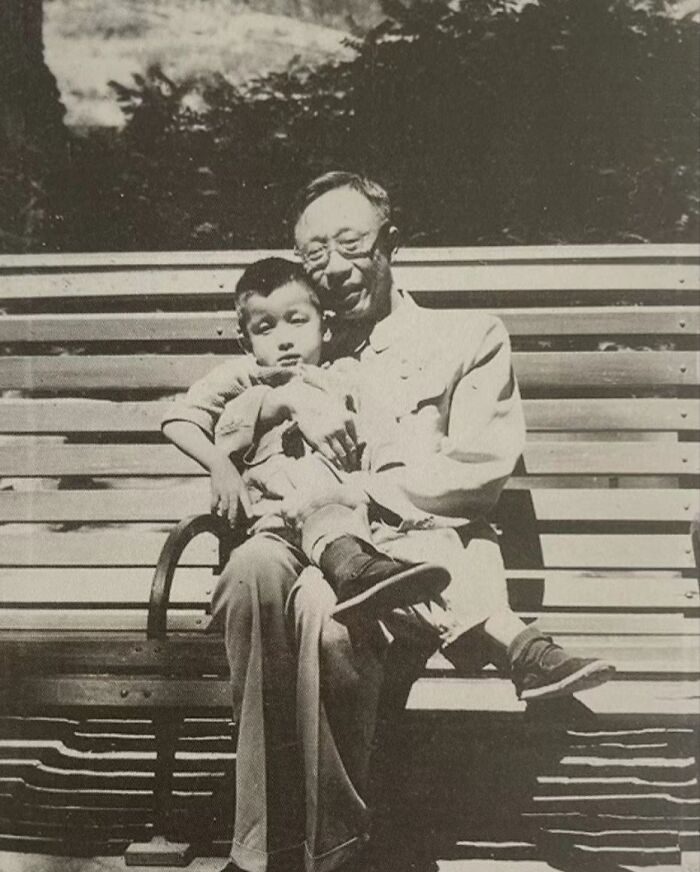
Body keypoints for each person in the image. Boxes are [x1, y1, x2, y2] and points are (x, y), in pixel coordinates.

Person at [162, 172, 615, 872]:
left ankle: (331, 848)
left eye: (352, 243)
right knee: (253, 569)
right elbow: (224, 417)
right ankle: (256, 847)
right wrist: (276, 411)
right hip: (298, 534)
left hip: (412, 557)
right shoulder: (300, 338)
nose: (335, 267)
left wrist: (357, 499)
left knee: (324, 608)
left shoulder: (464, 337)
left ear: (391, 243)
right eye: (315, 254)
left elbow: (478, 471)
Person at [164, 255, 450, 625]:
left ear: (324, 326)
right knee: (249, 573)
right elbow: (178, 419)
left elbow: (382, 442)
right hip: (272, 527)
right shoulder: (244, 378)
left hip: (348, 525)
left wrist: (386, 482)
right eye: (265, 328)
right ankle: (349, 569)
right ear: (245, 341)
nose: (284, 340)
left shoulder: (347, 379)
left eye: (297, 321)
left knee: (325, 604)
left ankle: (355, 569)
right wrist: (219, 465)